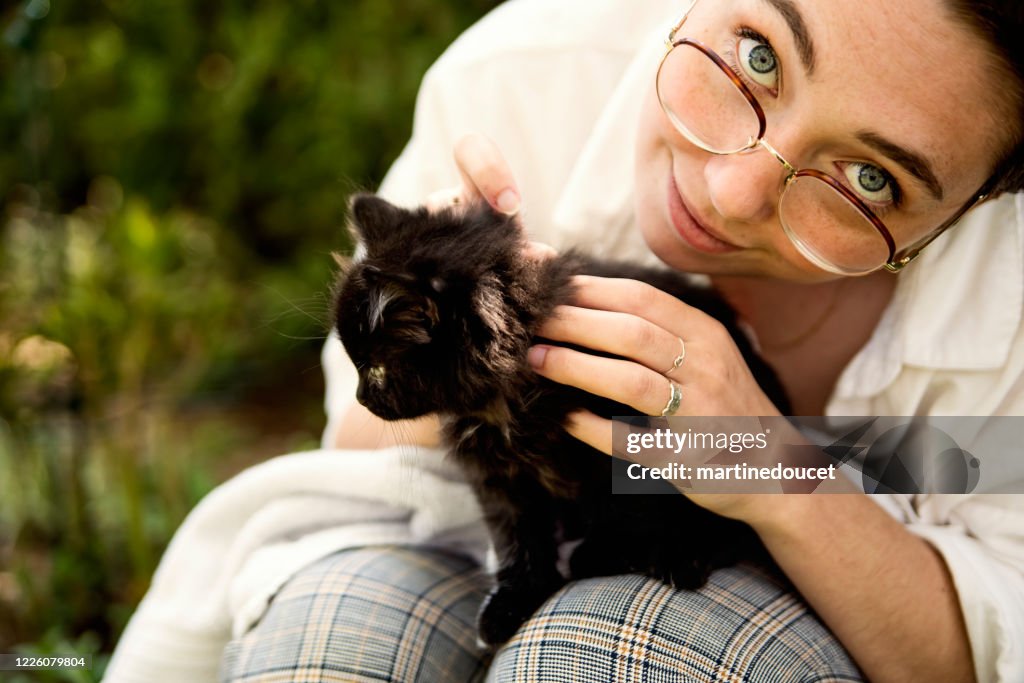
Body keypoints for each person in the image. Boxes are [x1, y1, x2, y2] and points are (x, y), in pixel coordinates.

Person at [104, 0, 1024, 681]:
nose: (732, 193)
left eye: (869, 177)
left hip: (814, 588)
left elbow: (987, 640)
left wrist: (767, 459)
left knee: (606, 658)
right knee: (330, 656)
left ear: (985, 201)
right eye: (756, 55)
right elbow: (360, 434)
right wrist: (476, 344)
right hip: (449, 526)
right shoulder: (525, 77)